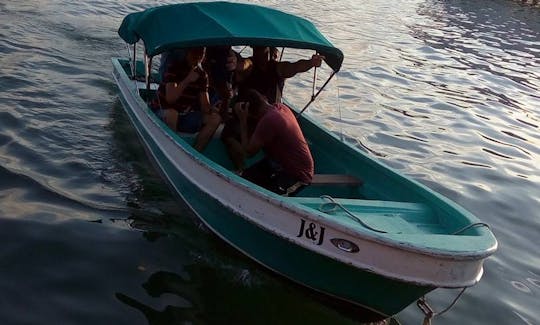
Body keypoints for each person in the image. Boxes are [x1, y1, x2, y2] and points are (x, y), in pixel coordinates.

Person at [233, 89, 314, 196]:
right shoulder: (281, 107)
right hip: (278, 164)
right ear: (264, 98)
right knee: (242, 182)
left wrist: (243, 121)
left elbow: (248, 153)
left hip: (298, 174)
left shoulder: (269, 120)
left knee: (267, 198)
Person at [154, 47, 221, 152]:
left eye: (201, 53)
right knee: (173, 114)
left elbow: (205, 106)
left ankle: (195, 153)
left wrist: (213, 109)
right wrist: (187, 80)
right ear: (187, 53)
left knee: (215, 119)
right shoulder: (174, 68)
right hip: (164, 111)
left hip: (185, 115)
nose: (198, 55)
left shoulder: (202, 75)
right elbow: (170, 99)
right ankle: (173, 151)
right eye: (195, 51)